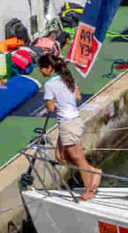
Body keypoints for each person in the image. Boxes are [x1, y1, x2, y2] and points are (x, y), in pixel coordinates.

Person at [39, 54, 101, 201]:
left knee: (77, 157)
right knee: (60, 156)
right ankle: (94, 171)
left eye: (41, 68)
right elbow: (78, 96)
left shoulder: (49, 85)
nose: (40, 71)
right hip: (72, 121)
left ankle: (89, 190)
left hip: (68, 123)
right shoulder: (67, 78)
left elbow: (50, 107)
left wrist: (53, 100)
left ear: (49, 68)